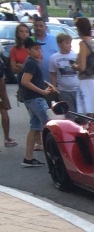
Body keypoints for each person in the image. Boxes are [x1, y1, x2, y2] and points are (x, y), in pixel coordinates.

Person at [18, 39, 54, 167]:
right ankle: (56, 156)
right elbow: (25, 81)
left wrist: (46, 83)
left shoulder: (33, 62)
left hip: (33, 99)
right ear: (28, 50)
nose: (39, 51)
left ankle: (28, 158)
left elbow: (35, 78)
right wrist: (42, 92)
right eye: (36, 49)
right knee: (50, 125)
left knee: (34, 128)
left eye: (39, 48)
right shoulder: (31, 63)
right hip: (35, 99)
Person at [73, 16, 94, 115]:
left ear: (79, 29)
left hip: (87, 82)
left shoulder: (83, 44)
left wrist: (74, 66)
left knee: (90, 114)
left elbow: (82, 67)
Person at [47, 31, 79, 114]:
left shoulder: (75, 56)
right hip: (63, 90)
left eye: (70, 43)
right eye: (67, 43)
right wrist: (54, 87)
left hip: (77, 88)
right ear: (59, 44)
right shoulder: (54, 58)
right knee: (69, 113)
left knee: (80, 113)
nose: (69, 45)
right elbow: (53, 74)